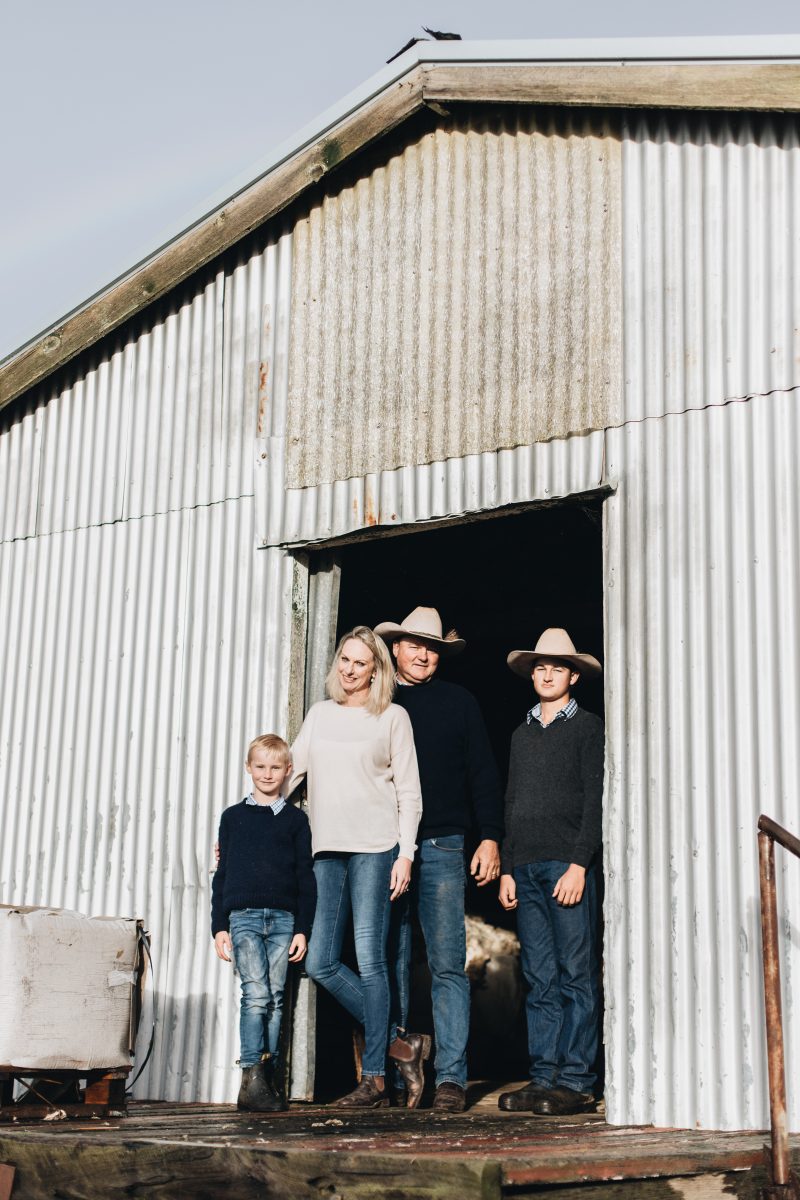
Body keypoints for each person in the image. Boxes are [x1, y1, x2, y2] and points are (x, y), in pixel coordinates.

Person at [290, 625, 427, 1108]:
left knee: (372, 961)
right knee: (320, 960)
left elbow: (409, 793)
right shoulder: (320, 715)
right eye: (344, 660)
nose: (349, 670)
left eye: (360, 663)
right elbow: (290, 773)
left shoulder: (392, 717)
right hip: (327, 849)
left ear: (376, 670)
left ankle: (374, 1078)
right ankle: (401, 1042)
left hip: (375, 847)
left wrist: (405, 854)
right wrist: (251, 821)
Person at [374, 606, 505, 1112]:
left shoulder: (459, 702)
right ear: (396, 649)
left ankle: (451, 1077)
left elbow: (483, 775)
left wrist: (490, 837)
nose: (423, 653)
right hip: (383, 847)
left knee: (448, 963)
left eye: (432, 647)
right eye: (413, 644)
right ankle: (393, 1069)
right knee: (387, 960)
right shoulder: (376, 703)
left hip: (444, 844)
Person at [498, 628, 604, 1117]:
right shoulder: (520, 735)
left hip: (566, 868)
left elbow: (594, 801)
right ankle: (542, 1077)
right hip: (527, 869)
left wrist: (580, 864)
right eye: (540, 666)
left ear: (573, 676)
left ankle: (576, 1080)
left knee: (573, 975)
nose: (546, 673)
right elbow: (513, 802)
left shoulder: (587, 728)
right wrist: (508, 868)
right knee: (538, 977)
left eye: (556, 667)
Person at [211, 733, 316, 1112]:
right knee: (255, 995)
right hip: (244, 918)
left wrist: (303, 928)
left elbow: (306, 877)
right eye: (260, 766)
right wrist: (219, 926)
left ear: (288, 771)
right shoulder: (233, 818)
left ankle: (266, 1079)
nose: (267, 774)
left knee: (274, 998)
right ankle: (250, 1079)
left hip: (284, 919)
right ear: (248, 768)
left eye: (275, 767)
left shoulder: (295, 821)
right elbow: (221, 874)